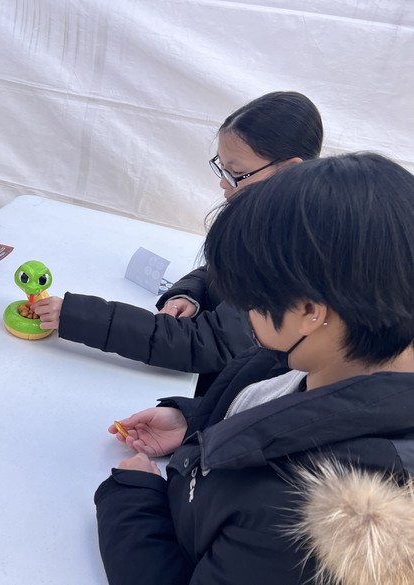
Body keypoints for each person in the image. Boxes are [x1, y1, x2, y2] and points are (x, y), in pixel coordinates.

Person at [95, 153, 414, 585]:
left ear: (310, 311)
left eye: (253, 300)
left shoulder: (321, 521)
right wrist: (196, 424)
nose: (246, 313)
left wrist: (133, 499)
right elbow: (291, 412)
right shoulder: (329, 356)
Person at [33, 92, 323, 395]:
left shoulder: (291, 255)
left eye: (237, 173)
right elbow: (218, 271)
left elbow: (203, 344)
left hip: (223, 395)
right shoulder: (266, 216)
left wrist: (76, 315)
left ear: (288, 169)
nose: (223, 183)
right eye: (221, 168)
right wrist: (190, 294)